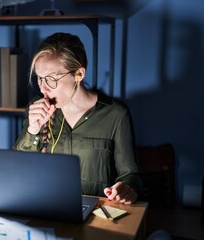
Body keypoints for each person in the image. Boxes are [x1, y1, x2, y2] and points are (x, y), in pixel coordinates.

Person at [13, 32, 141, 204]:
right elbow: (16, 170)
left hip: (98, 215)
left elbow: (130, 176)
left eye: (51, 79)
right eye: (39, 79)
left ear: (79, 74)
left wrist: (125, 189)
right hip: (47, 208)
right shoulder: (36, 108)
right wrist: (33, 130)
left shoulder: (116, 114)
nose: (43, 88)